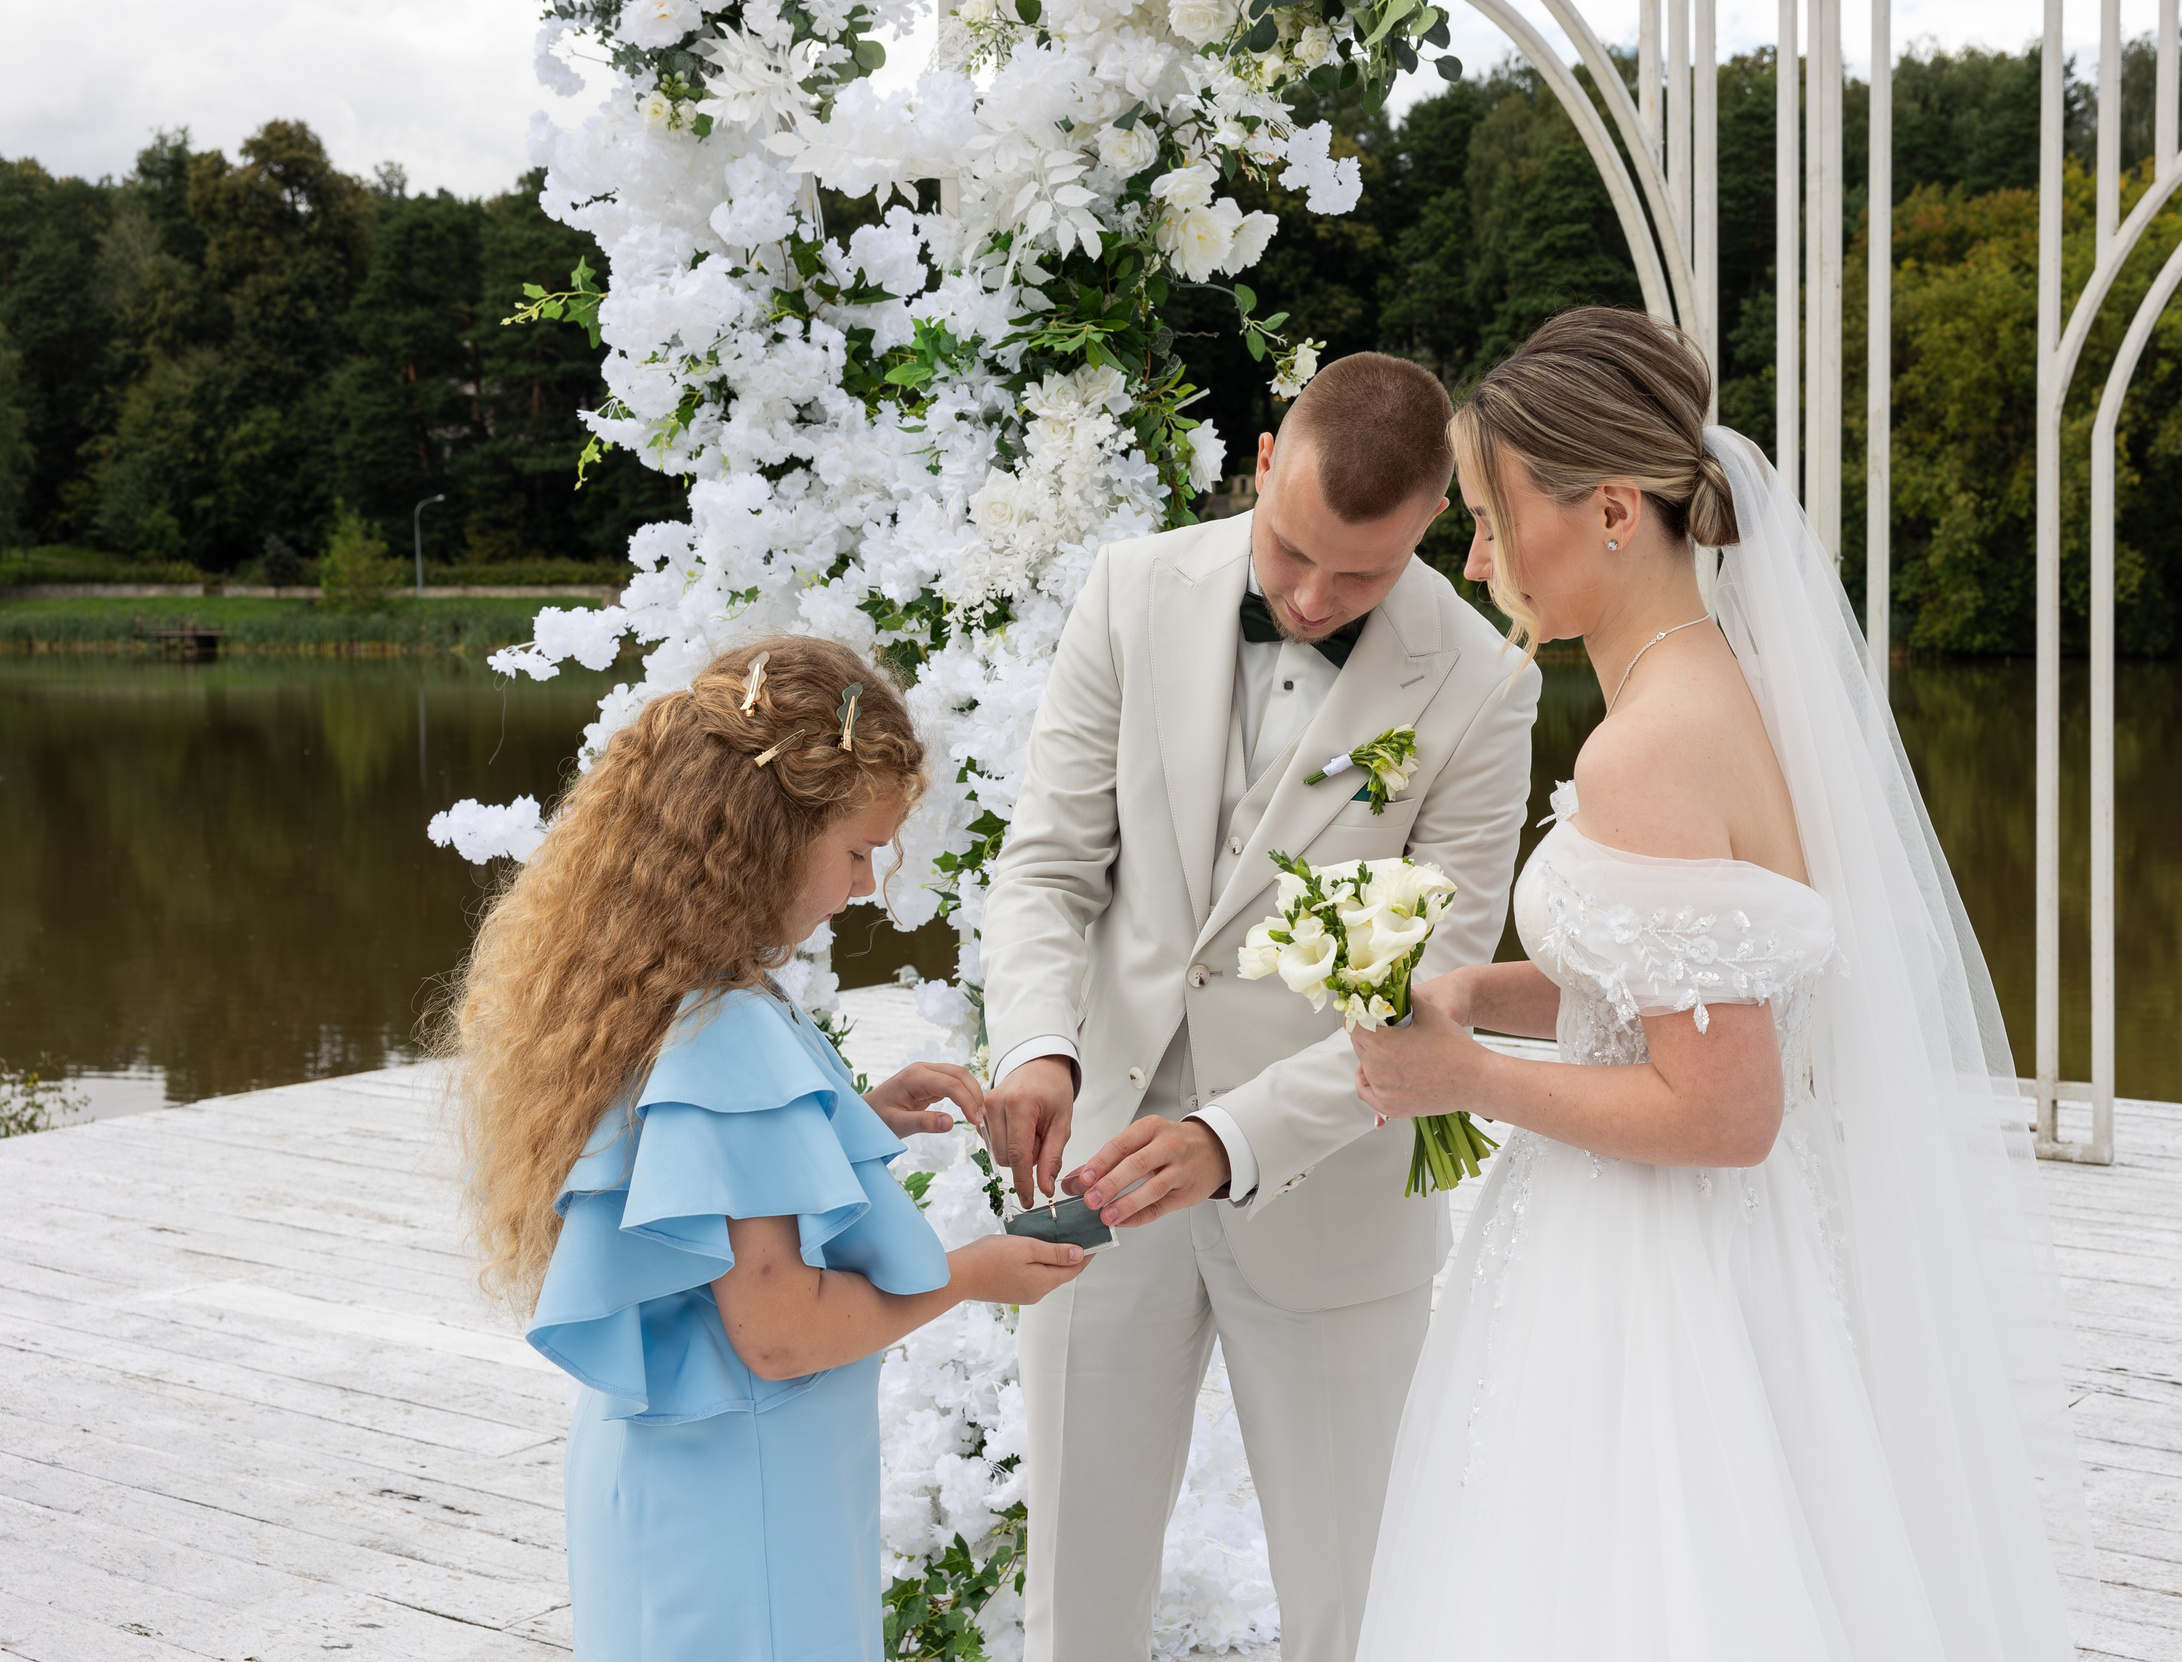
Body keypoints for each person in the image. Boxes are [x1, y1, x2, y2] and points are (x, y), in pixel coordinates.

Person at [1347, 309, 2084, 1660]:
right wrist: (1478, 993)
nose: (1478, 559)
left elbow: (1724, 1109)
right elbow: (1671, 988)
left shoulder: (1648, 750)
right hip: (1718, 1244)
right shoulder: (1725, 691)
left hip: (1654, 1271)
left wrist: (1463, 1079)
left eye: (1496, 525)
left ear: (1614, 509)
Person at [972, 353, 1541, 1662]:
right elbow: (1049, 865)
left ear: (1434, 524)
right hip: (1092, 1160)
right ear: (1270, 452)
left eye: (1359, 577)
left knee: (1355, 1606)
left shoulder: (1484, 685)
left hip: (1330, 1194)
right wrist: (1040, 1047)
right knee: (1075, 1596)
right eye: (1293, 554)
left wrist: (1232, 1138)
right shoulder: (1131, 587)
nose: (1308, 597)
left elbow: (1428, 1000)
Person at [445, 636, 1087, 1662]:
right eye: (856, 851)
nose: (868, 884)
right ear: (763, 838)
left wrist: (845, 1121)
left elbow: (692, 1183)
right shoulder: (728, 1031)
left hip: (665, 1474)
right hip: (741, 1501)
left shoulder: (652, 994)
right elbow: (780, 1333)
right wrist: (972, 1276)